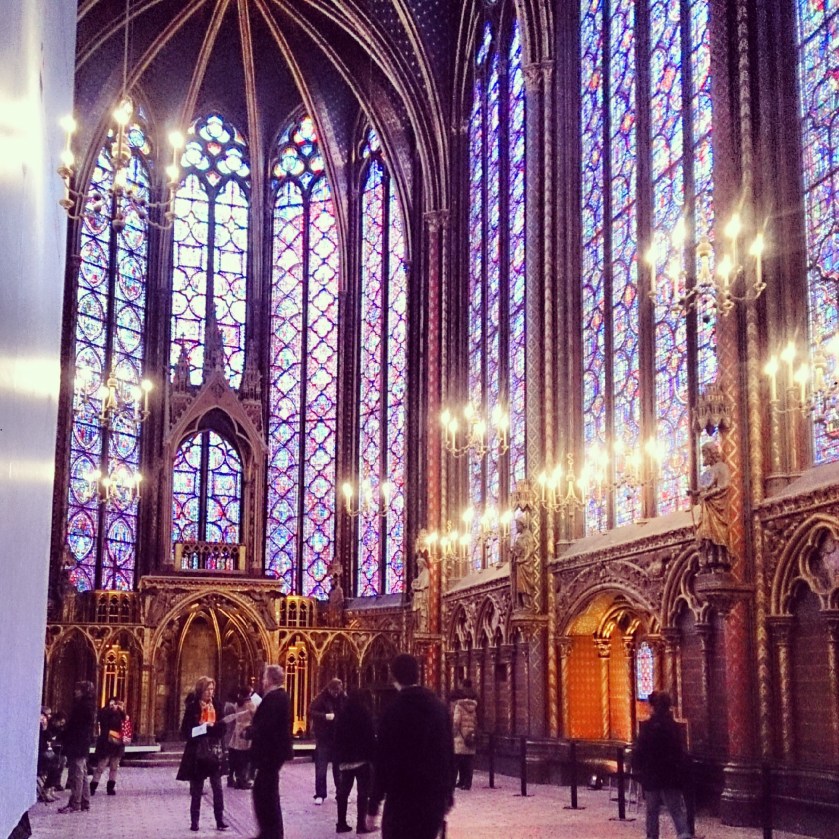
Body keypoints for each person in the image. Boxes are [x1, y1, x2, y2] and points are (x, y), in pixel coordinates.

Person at [373, 653, 454, 839]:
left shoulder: (392, 711)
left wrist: (373, 804)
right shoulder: (439, 708)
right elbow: (448, 754)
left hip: (401, 801)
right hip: (432, 801)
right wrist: (447, 794)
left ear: (394, 677)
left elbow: (382, 761)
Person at [633, 691, 693, 839]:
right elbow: (679, 750)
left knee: (652, 810)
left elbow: (640, 750)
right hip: (670, 775)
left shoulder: (648, 727)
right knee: (676, 809)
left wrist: (638, 768)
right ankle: (684, 834)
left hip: (652, 774)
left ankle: (652, 836)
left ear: (654, 706)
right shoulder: (674, 727)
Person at [176, 676, 229, 832]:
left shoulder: (217, 705)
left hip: (214, 750)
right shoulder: (193, 707)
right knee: (197, 789)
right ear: (201, 690)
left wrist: (215, 727)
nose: (210, 692)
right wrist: (201, 727)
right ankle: (195, 821)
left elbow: (223, 729)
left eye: (212, 689)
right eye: (207, 689)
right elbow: (185, 731)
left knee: (217, 787)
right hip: (198, 752)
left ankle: (220, 820)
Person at [250, 663, 294, 839]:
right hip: (272, 753)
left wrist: (251, 731)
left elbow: (267, 726)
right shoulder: (277, 697)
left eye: (264, 677)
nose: (262, 681)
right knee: (265, 791)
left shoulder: (275, 698)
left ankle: (271, 833)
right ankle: (269, 832)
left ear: (269, 679)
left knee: (264, 793)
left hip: (270, 753)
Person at [334, 688, 376, 834]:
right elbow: (370, 737)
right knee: (363, 793)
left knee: (343, 792)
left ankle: (341, 823)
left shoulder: (342, 714)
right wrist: (372, 757)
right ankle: (360, 825)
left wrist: (339, 756)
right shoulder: (365, 714)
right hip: (362, 759)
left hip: (346, 760)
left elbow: (337, 737)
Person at [691, 440, 733, 567]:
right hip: (706, 507)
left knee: (717, 533)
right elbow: (704, 488)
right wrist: (694, 493)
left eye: (705, 454)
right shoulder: (708, 472)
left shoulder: (722, 467)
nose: (704, 457)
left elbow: (724, 485)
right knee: (705, 534)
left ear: (711, 453)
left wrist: (708, 495)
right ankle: (708, 560)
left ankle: (720, 560)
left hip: (717, 507)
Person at [57, 680, 96, 813]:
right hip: (82, 743)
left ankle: (75, 803)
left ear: (83, 691)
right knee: (82, 773)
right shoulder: (88, 705)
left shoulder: (82, 706)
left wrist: (63, 734)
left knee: (76, 773)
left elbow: (75, 726)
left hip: (77, 743)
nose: (75, 691)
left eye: (78, 689)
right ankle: (85, 801)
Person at [310, 677, 346, 805]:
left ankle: (340, 794)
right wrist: (325, 716)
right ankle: (320, 794)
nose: (336, 694)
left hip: (337, 737)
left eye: (338, 691)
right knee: (321, 767)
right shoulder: (321, 698)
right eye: (334, 691)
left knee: (339, 768)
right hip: (324, 737)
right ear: (329, 689)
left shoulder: (343, 698)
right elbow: (311, 711)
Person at [89, 696, 127, 796]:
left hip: (117, 743)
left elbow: (125, 722)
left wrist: (120, 711)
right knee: (101, 766)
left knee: (114, 767)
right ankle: (93, 787)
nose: (115, 706)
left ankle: (110, 788)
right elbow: (102, 721)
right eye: (114, 703)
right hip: (106, 743)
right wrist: (111, 710)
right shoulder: (105, 712)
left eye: (117, 704)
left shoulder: (121, 713)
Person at [451, 680, 478, 790]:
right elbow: (475, 721)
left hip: (460, 737)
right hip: (470, 736)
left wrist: (453, 734)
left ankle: (456, 782)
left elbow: (456, 722)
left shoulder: (459, 706)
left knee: (457, 761)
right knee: (469, 761)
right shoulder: (474, 706)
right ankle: (467, 783)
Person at [228, 685, 257, 789]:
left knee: (236, 756)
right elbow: (255, 717)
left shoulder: (238, 703)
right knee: (245, 757)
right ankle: (242, 780)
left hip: (237, 730)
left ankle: (233, 778)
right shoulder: (251, 704)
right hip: (246, 731)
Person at [511, 513, 539, 611]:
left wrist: (523, 558)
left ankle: (528, 605)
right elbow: (518, 550)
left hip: (525, 564)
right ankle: (523, 605)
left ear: (522, 525)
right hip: (519, 564)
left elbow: (530, 549)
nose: (516, 527)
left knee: (525, 586)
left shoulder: (527, 535)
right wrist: (513, 551)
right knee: (520, 587)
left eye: (517, 525)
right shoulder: (519, 536)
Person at [411, 555, 430, 633]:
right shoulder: (421, 573)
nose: (418, 565)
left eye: (419, 564)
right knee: (416, 612)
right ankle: (419, 627)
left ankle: (423, 627)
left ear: (423, 563)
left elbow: (425, 585)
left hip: (422, 595)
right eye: (417, 564)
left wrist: (417, 588)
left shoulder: (426, 572)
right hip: (418, 595)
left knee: (422, 611)